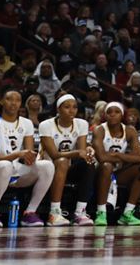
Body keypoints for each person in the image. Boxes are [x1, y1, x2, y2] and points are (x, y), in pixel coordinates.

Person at [0, 89, 55, 227]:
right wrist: (17, 154)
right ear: (2, 101)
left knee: (47, 165)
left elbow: (27, 155)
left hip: (17, 170)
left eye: (17, 100)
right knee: (5, 165)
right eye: (10, 99)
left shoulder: (26, 123)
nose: (13, 103)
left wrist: (31, 157)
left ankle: (30, 213)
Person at [38, 93, 96, 225]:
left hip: (68, 168)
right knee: (62, 161)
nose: (72, 110)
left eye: (75, 107)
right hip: (48, 168)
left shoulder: (81, 124)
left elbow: (81, 151)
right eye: (67, 107)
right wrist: (78, 152)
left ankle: (80, 212)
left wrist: (87, 151)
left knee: (88, 162)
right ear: (58, 109)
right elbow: (54, 155)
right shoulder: (46, 125)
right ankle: (54, 213)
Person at [91, 101, 140, 226]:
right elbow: (101, 158)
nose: (112, 115)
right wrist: (126, 158)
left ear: (122, 115)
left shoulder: (130, 131)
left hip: (117, 173)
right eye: (109, 112)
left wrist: (118, 155)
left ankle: (128, 213)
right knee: (107, 166)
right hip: (99, 172)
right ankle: (101, 213)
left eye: (116, 112)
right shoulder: (99, 130)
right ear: (104, 115)